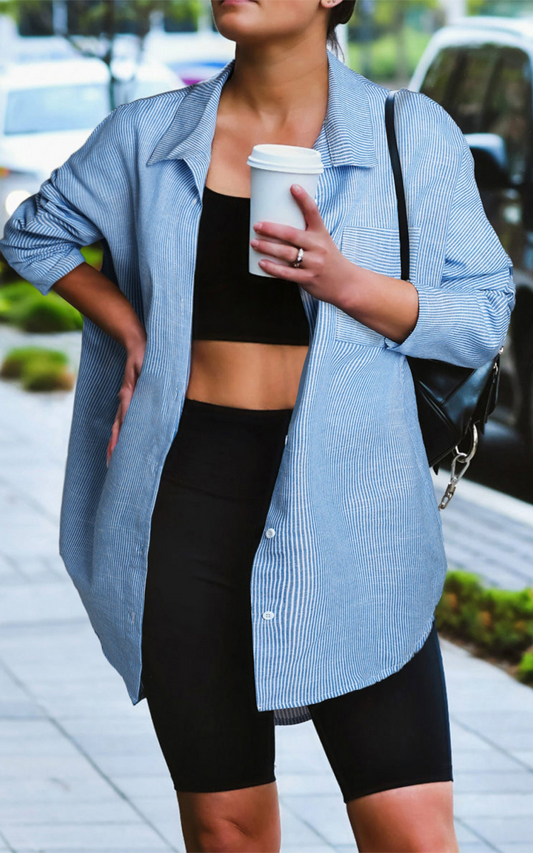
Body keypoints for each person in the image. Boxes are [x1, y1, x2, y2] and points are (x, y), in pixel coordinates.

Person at [0, 1, 515, 851]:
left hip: (354, 505)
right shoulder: (147, 136)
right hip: (188, 497)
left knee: (412, 831)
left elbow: (482, 311)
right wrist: (126, 323)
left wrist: (348, 283)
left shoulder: (408, 132)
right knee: (227, 828)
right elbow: (35, 232)